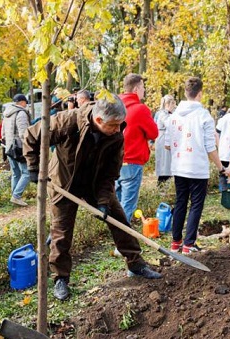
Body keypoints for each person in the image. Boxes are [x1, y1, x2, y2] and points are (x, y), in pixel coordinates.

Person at [24, 93, 162, 301]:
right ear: (98, 120)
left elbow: (109, 174)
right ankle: (61, 278)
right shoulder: (68, 121)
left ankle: (136, 263)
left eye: (120, 124)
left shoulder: (116, 136)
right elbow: (32, 136)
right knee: (61, 232)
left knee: (118, 218)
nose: (118, 129)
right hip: (64, 183)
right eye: (114, 125)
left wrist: (104, 202)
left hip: (95, 184)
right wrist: (34, 169)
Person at [164, 77, 230, 254]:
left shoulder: (174, 116)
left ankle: (176, 242)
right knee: (195, 205)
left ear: (185, 93)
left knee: (180, 203)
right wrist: (221, 168)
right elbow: (210, 148)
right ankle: (189, 244)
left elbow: (167, 144)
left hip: (179, 167)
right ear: (200, 93)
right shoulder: (204, 116)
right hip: (197, 168)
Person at [115, 73, 159, 223]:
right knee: (127, 206)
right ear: (136, 89)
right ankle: (122, 244)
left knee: (116, 205)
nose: (144, 91)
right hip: (132, 162)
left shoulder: (114, 106)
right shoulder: (140, 109)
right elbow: (154, 133)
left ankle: (117, 237)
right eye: (143, 88)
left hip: (113, 161)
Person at [2, 94, 31, 206]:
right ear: (22, 102)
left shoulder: (7, 113)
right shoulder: (21, 113)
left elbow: (3, 132)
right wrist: (28, 145)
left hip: (9, 146)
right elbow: (23, 133)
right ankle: (16, 196)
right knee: (26, 173)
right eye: (26, 102)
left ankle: (14, 197)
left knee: (15, 173)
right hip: (18, 147)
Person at [154, 95, 176, 184]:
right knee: (164, 163)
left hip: (166, 138)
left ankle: (166, 182)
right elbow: (169, 123)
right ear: (168, 104)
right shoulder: (162, 114)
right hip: (163, 139)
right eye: (173, 104)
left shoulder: (168, 113)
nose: (174, 106)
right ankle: (162, 183)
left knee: (168, 163)